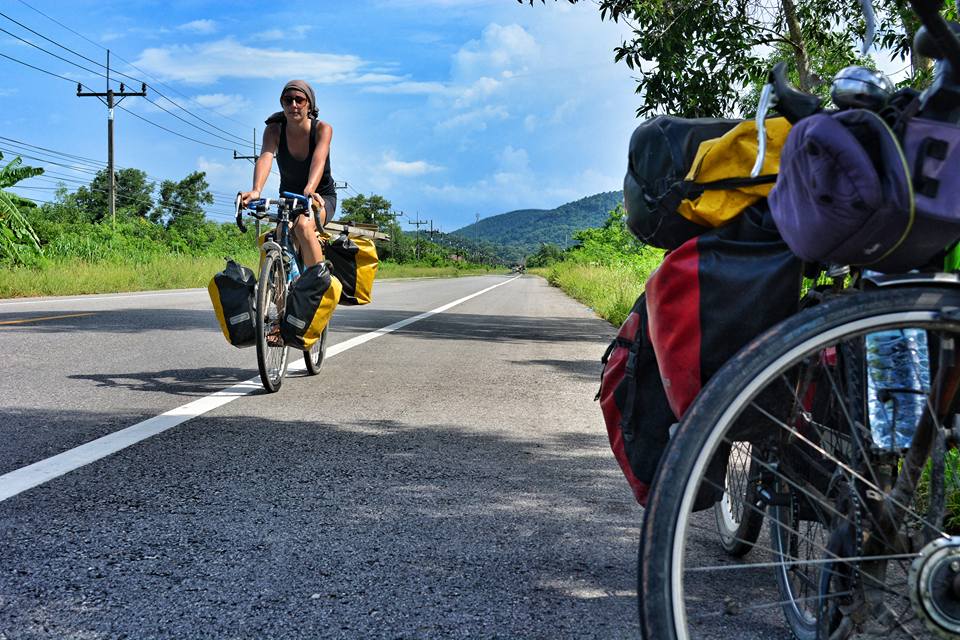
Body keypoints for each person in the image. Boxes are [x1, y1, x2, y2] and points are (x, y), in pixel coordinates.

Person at [240, 80, 336, 267]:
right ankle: (278, 288)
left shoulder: (322, 129)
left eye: (299, 100)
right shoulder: (274, 130)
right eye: (288, 100)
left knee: (303, 226)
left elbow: (319, 160)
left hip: (320, 197)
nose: (293, 105)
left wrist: (309, 189)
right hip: (289, 200)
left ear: (309, 104)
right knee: (280, 234)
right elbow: (266, 157)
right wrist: (256, 190)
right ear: (282, 103)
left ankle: (316, 286)